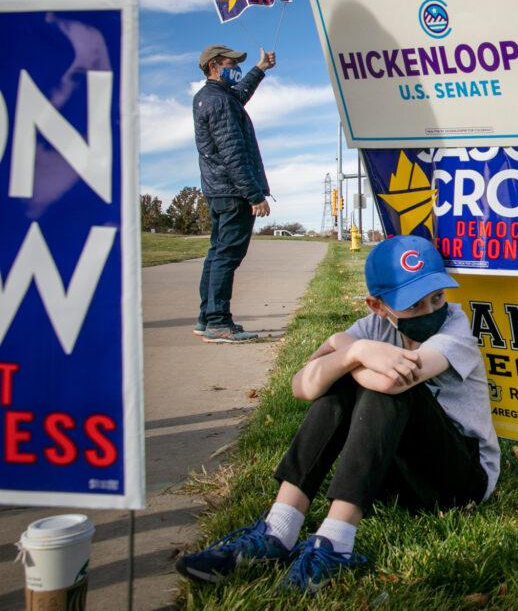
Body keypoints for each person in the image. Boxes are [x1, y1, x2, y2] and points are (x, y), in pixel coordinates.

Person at [176, 235, 501, 595]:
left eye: (436, 298)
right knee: (339, 381)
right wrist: (356, 350)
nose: (429, 311)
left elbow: (393, 382)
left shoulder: (455, 328)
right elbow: (302, 386)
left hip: (460, 480)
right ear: (379, 307)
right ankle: (278, 530)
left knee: (378, 386)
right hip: (393, 476)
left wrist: (342, 350)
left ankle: (335, 544)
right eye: (413, 305)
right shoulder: (371, 329)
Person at [192, 44, 275, 343]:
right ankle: (218, 322)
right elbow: (233, 154)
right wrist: (254, 195)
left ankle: (206, 318)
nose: (236, 67)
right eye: (231, 63)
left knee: (217, 254)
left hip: (218, 191)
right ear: (215, 65)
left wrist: (260, 69)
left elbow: (239, 95)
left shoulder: (212, 98)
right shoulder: (219, 102)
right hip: (233, 192)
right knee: (227, 257)